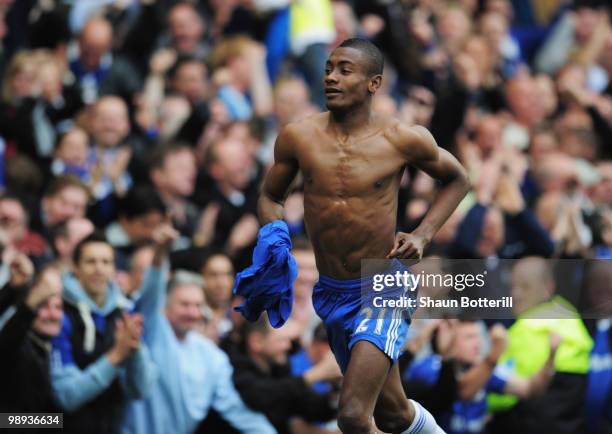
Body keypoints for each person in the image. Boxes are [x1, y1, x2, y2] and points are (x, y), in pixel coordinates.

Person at [253, 38, 470, 433]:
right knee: (392, 415)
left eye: (344, 70)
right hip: (331, 291)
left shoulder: (403, 138)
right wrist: (274, 235)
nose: (331, 78)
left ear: (374, 83)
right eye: (328, 69)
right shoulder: (298, 137)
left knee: (353, 415)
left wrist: (423, 234)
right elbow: (270, 195)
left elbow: (458, 179)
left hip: (382, 283)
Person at [122, 224, 276, 434]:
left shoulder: (212, 356)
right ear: (165, 306)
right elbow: (150, 296)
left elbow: (237, 410)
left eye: (197, 305)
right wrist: (160, 254)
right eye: (184, 304)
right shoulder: (154, 333)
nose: (192, 312)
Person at [50, 232, 156, 434]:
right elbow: (66, 398)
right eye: (91, 261)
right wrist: (116, 355)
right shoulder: (57, 312)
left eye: (106, 262)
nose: (99, 269)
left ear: (114, 268)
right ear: (76, 267)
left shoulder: (125, 312)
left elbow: (141, 390)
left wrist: (135, 351)